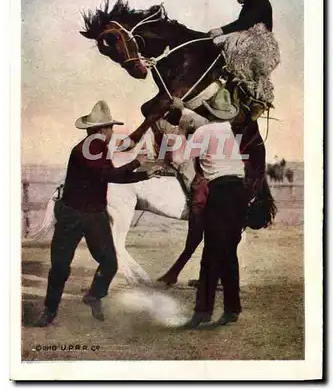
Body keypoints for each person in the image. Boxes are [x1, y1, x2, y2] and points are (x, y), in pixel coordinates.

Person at [34, 100, 160, 327]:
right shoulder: (91, 148)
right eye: (110, 128)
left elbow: (112, 175)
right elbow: (110, 175)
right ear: (101, 130)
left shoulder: (97, 147)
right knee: (63, 266)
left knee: (108, 263)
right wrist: (136, 164)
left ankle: (92, 296)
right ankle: (50, 310)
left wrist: (144, 175)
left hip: (93, 215)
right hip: (73, 216)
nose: (112, 132)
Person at [165, 95, 248, 329]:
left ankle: (202, 312)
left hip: (220, 192)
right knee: (228, 253)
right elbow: (202, 122)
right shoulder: (226, 128)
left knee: (210, 254)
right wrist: (184, 113)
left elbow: (179, 158)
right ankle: (232, 309)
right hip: (238, 191)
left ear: (209, 111)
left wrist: (181, 129)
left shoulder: (204, 132)